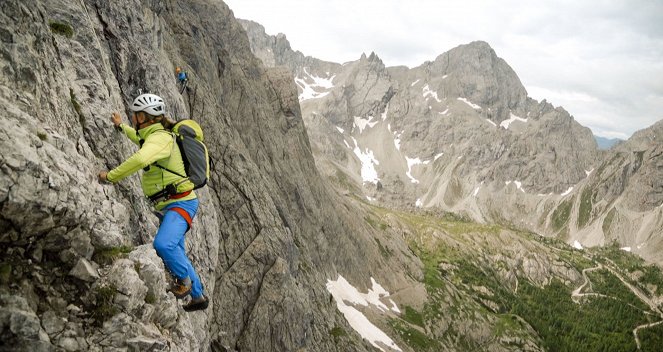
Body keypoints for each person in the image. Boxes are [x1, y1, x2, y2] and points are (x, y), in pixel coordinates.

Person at [98, 93, 209, 312]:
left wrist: (111, 176)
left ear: (144, 116)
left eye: (135, 115)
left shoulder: (160, 139)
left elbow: (141, 158)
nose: (133, 118)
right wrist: (122, 127)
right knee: (176, 251)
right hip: (172, 205)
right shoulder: (154, 134)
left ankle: (184, 282)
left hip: (180, 204)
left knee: (163, 245)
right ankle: (198, 298)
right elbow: (140, 140)